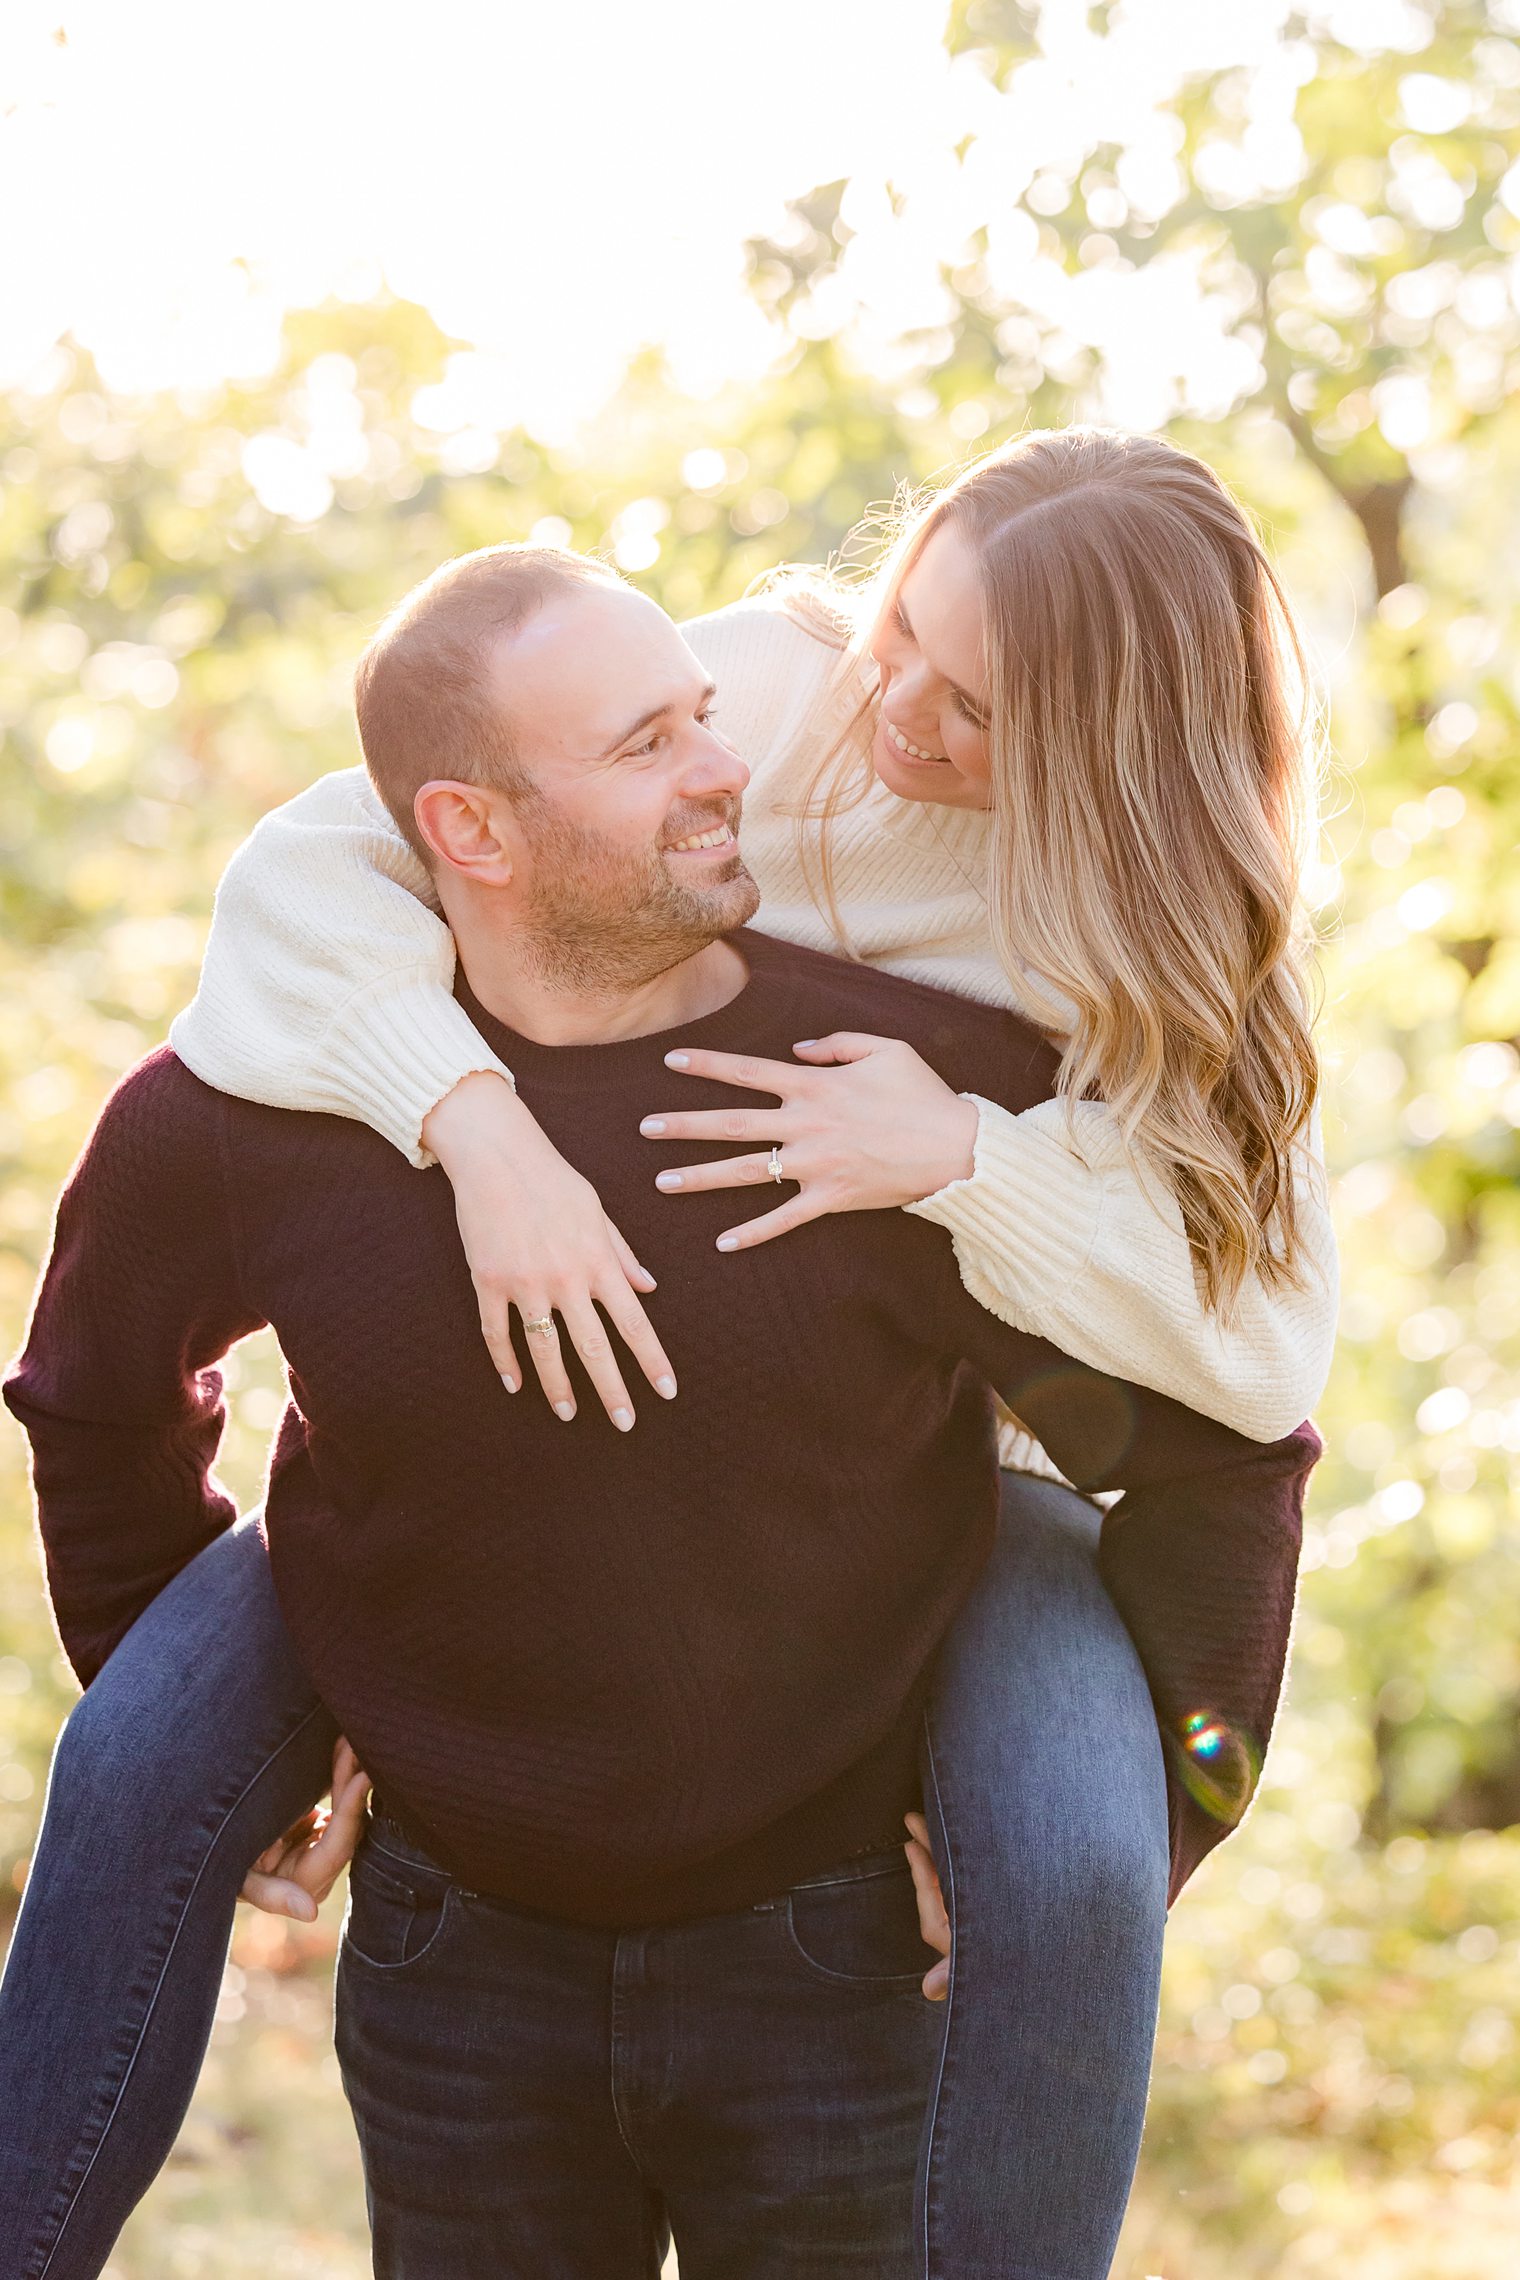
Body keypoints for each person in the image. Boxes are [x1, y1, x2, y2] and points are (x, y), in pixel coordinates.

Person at [0, 429, 1333, 2278]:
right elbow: (316, 861)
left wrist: (961, 1161)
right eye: (902, 645)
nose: (877, 727)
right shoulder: (770, 697)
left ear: (1098, 756)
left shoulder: (1108, 971)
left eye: (972, 709)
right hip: (456, 1944)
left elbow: (1243, 1390)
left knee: (1077, 1867)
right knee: (140, 1750)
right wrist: (468, 1121)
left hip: (849, 1838)